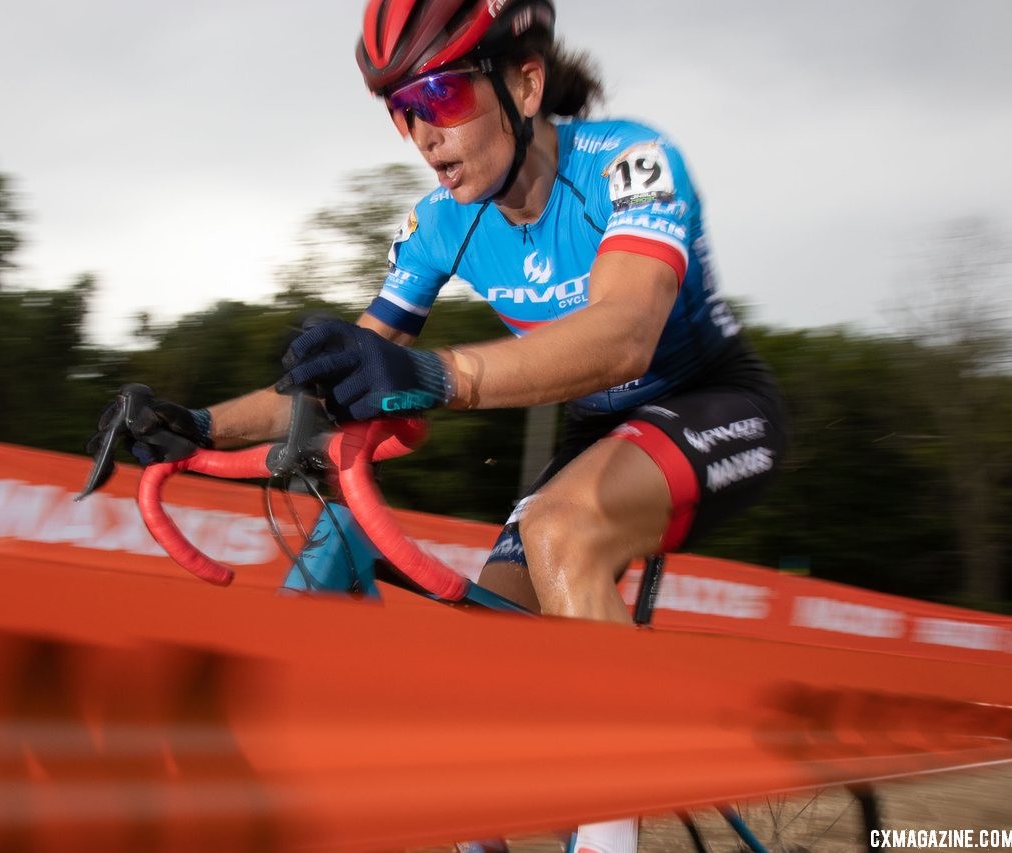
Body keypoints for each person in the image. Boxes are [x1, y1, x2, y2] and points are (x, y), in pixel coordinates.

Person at [88, 1, 787, 850]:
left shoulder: (630, 162)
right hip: (599, 435)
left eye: (446, 95)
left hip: (712, 402)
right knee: (482, 672)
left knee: (565, 535)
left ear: (526, 84)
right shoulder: (439, 222)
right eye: (402, 108)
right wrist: (197, 425)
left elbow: (623, 333)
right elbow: (339, 378)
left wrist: (437, 374)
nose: (424, 132)